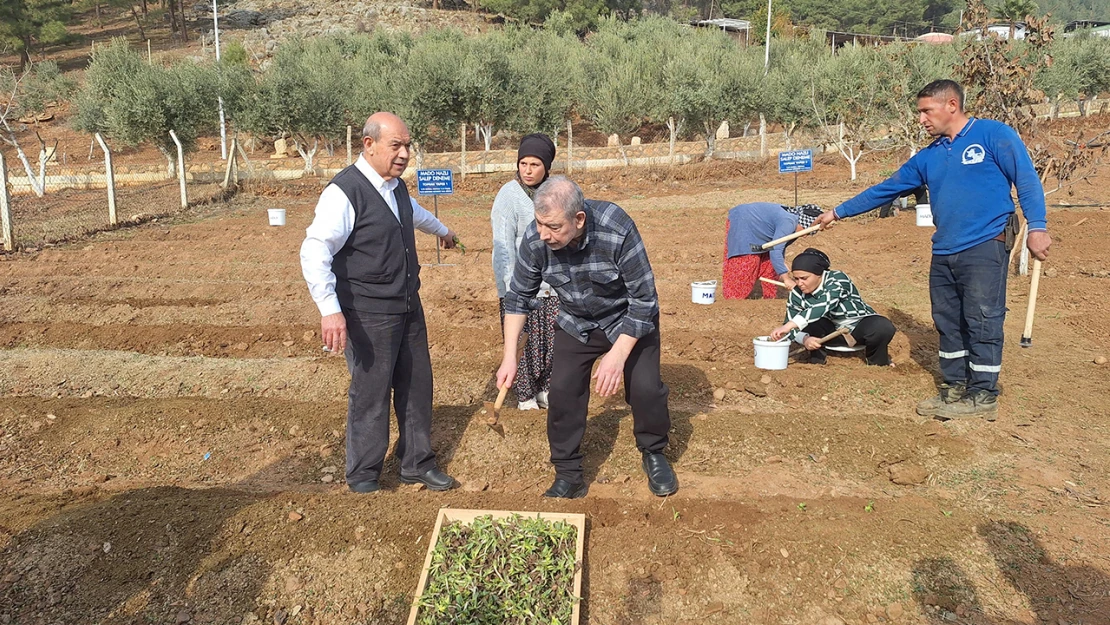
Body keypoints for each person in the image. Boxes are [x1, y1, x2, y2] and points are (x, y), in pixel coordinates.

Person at [813, 79, 1051, 420]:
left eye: (926, 111)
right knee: (947, 320)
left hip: (986, 243)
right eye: (919, 112)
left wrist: (1037, 226)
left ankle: (983, 395)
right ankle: (954, 387)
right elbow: (887, 189)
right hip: (944, 249)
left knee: (982, 318)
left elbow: (1026, 179)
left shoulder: (994, 135)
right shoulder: (929, 157)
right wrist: (838, 212)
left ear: (951, 105)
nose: (921, 119)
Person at [300, 112, 459, 494]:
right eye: (396, 146)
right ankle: (364, 474)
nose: (405, 154)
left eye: (408, 146)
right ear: (368, 145)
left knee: (417, 386)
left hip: (407, 305)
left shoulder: (395, 187)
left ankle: (417, 464)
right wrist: (329, 309)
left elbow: (413, 215)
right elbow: (315, 249)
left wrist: (444, 231)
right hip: (367, 311)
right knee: (371, 393)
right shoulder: (345, 192)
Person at [497, 176, 677, 499]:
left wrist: (618, 355)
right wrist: (510, 355)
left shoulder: (616, 228)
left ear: (578, 220)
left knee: (646, 387)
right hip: (576, 321)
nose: (542, 234)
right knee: (563, 390)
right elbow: (517, 298)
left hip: (627, 319)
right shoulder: (536, 239)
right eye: (539, 223)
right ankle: (568, 472)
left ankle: (654, 451)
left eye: (552, 226)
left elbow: (645, 300)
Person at [491, 134, 559, 410]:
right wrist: (510, 289)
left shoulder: (554, 193)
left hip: (551, 284)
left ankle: (545, 389)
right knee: (524, 344)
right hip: (520, 286)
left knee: (550, 342)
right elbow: (504, 246)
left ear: (546, 167)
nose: (528, 170)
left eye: (534, 164)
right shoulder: (509, 195)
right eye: (523, 163)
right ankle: (525, 395)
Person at [769, 248, 896, 366]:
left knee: (882, 327)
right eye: (796, 279)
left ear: (819, 274)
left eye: (804, 278)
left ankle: (879, 363)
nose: (799, 283)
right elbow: (791, 330)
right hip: (829, 333)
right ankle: (816, 362)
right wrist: (805, 339)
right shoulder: (796, 294)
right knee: (813, 324)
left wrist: (789, 325)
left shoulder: (837, 279)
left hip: (859, 327)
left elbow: (824, 304)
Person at [722, 202, 820, 299]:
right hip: (743, 222)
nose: (805, 236)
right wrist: (786, 279)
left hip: (758, 232)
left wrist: (780, 264)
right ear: (803, 223)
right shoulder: (789, 222)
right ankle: (733, 298)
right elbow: (776, 250)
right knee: (747, 261)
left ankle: (769, 297)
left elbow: (778, 247)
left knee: (770, 264)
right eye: (806, 231)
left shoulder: (794, 225)